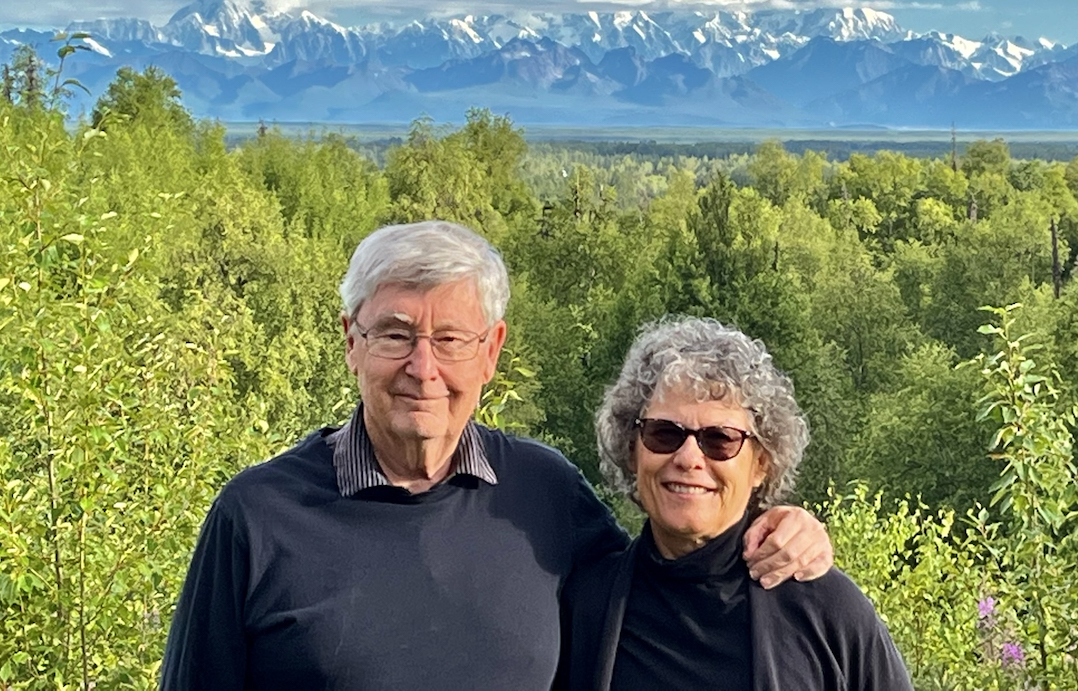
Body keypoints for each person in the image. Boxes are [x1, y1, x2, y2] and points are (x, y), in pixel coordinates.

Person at [160, 221, 833, 691]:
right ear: (351, 341)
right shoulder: (257, 518)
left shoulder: (544, 494)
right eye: (395, 334)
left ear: (491, 351)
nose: (423, 368)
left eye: (451, 338)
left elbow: (673, 583)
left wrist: (776, 528)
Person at [558, 316, 913, 691]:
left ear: (761, 463)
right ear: (632, 450)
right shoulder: (582, 609)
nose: (689, 458)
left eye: (720, 439)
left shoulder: (826, 611)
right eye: (665, 434)